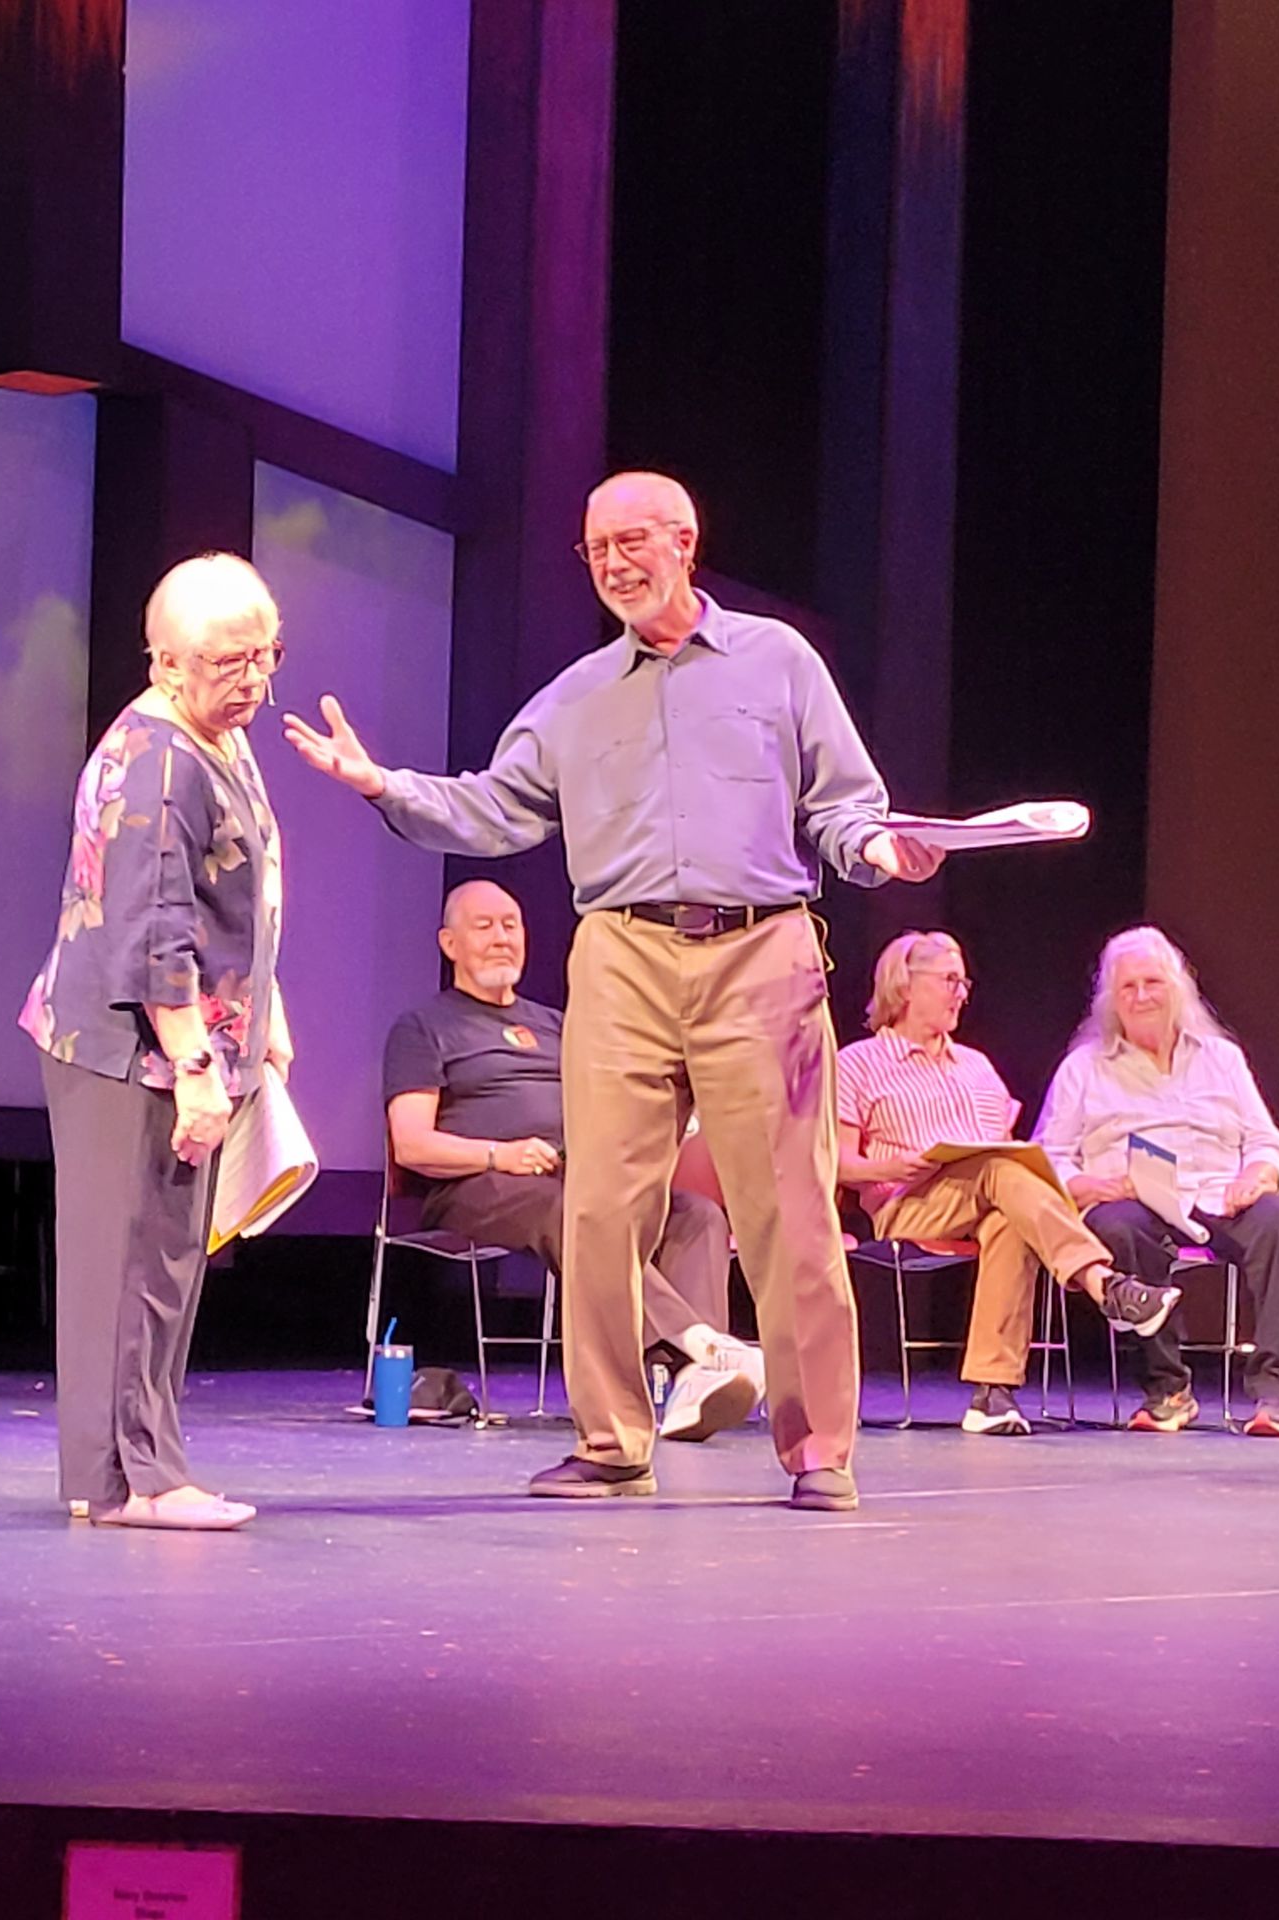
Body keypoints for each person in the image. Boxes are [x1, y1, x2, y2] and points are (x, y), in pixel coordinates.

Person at [286, 470, 943, 1510]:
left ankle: (819, 1448)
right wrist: (385, 787)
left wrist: (879, 849)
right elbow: (497, 808)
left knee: (790, 1211)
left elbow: (845, 809)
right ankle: (610, 1441)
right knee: (599, 1207)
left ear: (687, 541)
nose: (615, 563)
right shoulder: (577, 696)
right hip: (622, 957)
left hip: (759, 949)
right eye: (596, 549)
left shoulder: (779, 662)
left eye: (634, 540)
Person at [21, 553, 292, 1529]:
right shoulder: (162, 764)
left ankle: (121, 1478)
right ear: (167, 663)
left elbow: (236, 896)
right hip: (127, 1048)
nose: (255, 681)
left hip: (168, 1038)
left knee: (157, 1259)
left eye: (267, 656)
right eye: (230, 663)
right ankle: (136, 1480)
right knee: (135, 1261)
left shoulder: (217, 734)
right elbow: (156, 931)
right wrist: (195, 1070)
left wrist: (267, 1016)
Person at [385, 877, 765, 1440]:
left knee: (691, 1214)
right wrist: (500, 1155)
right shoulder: (425, 1027)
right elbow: (412, 1144)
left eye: (511, 925)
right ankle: (702, 1346)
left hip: (574, 1177)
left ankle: (690, 1384)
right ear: (448, 944)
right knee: (578, 1211)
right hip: (475, 1187)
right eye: (483, 926)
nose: (501, 938)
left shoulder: (556, 1026)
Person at [836, 931, 1181, 1437]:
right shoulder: (858, 1063)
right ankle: (1104, 1285)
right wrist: (891, 1168)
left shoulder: (977, 1066)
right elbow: (836, 1162)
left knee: (1009, 1218)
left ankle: (992, 1395)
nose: (961, 992)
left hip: (984, 1196)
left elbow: (1004, 1151)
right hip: (906, 1202)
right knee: (1003, 1173)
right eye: (949, 980)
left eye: (964, 982)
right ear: (906, 987)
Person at [1035, 926, 1279, 1438]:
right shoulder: (1083, 1069)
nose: (1141, 997)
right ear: (1110, 1001)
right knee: (1118, 1229)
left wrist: (1259, 1171)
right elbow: (1048, 1160)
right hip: (1131, 1197)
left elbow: (1265, 1138)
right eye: (1128, 988)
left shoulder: (1221, 1059)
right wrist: (1093, 1184)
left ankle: (1274, 1394)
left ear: (1178, 988)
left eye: (1152, 983)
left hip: (1216, 1192)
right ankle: (1167, 1389)